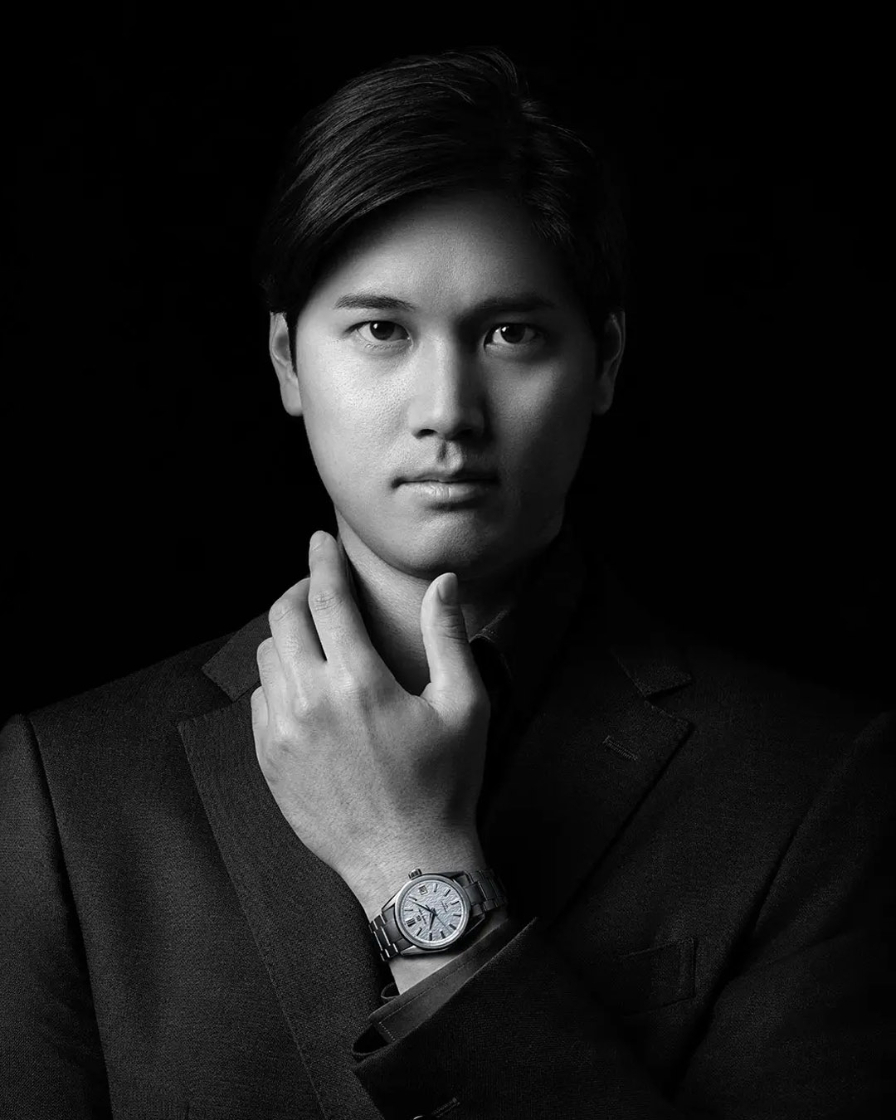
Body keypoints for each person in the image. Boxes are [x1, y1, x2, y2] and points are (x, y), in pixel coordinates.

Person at [1, 45, 893, 1120]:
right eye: (381, 330)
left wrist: (410, 863)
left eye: (511, 333)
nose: (446, 411)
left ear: (605, 361)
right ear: (286, 360)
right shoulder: (70, 786)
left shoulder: (811, 785)